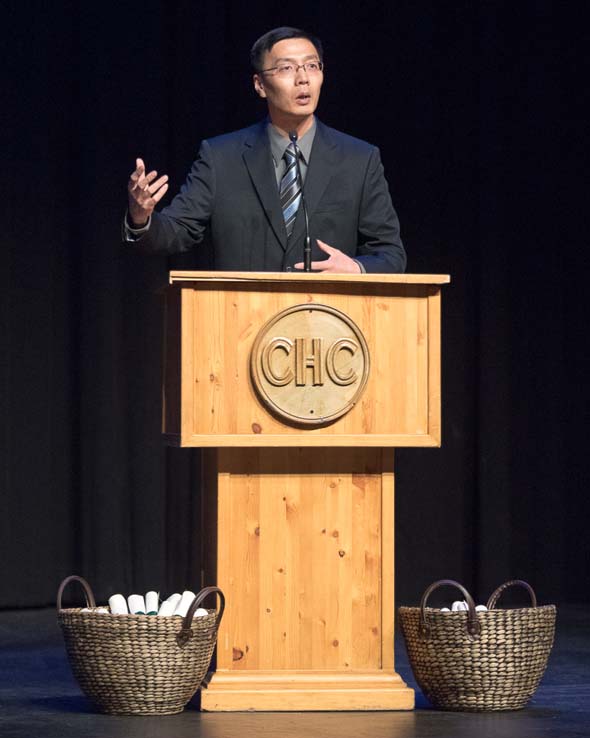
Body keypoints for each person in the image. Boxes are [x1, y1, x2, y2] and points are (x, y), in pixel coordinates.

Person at [124, 27, 406, 274]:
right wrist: (141, 218)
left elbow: (391, 255)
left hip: (326, 322)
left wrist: (357, 268)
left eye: (312, 66)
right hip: (243, 322)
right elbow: (177, 232)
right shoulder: (221, 157)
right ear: (260, 85)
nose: (303, 79)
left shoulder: (359, 159)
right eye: (286, 68)